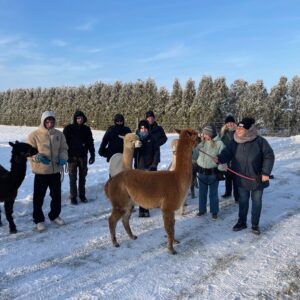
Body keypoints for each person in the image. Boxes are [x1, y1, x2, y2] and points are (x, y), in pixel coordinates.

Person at [215, 117, 275, 235]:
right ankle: (242, 222)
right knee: (243, 201)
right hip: (241, 178)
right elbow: (227, 153)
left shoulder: (260, 141)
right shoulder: (234, 141)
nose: (238, 130)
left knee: (256, 202)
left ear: (249, 129)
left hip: (257, 178)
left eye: (241, 128)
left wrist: (266, 173)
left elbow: (269, 156)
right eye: (238, 128)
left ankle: (255, 225)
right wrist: (219, 158)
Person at [27, 111, 68, 232]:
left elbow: (64, 149)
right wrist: (36, 157)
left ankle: (54, 215)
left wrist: (63, 158)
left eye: (52, 121)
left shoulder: (59, 135)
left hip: (55, 171)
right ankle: (39, 220)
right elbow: (28, 152)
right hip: (41, 172)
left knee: (56, 195)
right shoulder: (34, 135)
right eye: (47, 121)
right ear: (43, 121)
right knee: (39, 197)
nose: (49, 123)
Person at [63, 111, 95, 205]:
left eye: (81, 118)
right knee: (72, 178)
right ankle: (73, 197)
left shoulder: (86, 129)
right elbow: (64, 143)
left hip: (83, 157)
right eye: (77, 118)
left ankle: (82, 195)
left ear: (83, 119)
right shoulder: (69, 128)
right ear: (75, 119)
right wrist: (65, 155)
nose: (79, 120)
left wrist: (92, 154)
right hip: (72, 158)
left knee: (82, 177)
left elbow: (90, 142)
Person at [196, 124, 226, 219]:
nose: (204, 136)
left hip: (213, 174)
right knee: (202, 193)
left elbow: (224, 158)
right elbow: (194, 155)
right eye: (203, 134)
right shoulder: (202, 144)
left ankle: (214, 211)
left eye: (206, 134)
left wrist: (221, 170)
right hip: (201, 173)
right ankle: (202, 210)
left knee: (213, 193)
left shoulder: (219, 144)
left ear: (211, 134)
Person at [134, 120, 160, 217]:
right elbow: (133, 155)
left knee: (148, 190)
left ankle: (147, 209)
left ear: (148, 129)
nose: (143, 129)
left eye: (145, 128)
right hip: (140, 168)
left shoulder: (152, 138)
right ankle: (142, 210)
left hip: (150, 168)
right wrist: (135, 148)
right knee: (141, 191)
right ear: (139, 129)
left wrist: (154, 164)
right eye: (141, 128)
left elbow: (157, 153)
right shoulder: (136, 139)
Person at [220, 115, 239, 202]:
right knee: (228, 176)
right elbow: (221, 146)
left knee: (236, 178)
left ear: (234, 123)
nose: (229, 124)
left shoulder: (238, 132)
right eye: (228, 123)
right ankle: (228, 192)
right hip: (226, 157)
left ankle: (237, 196)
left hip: (236, 157)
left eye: (231, 122)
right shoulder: (223, 133)